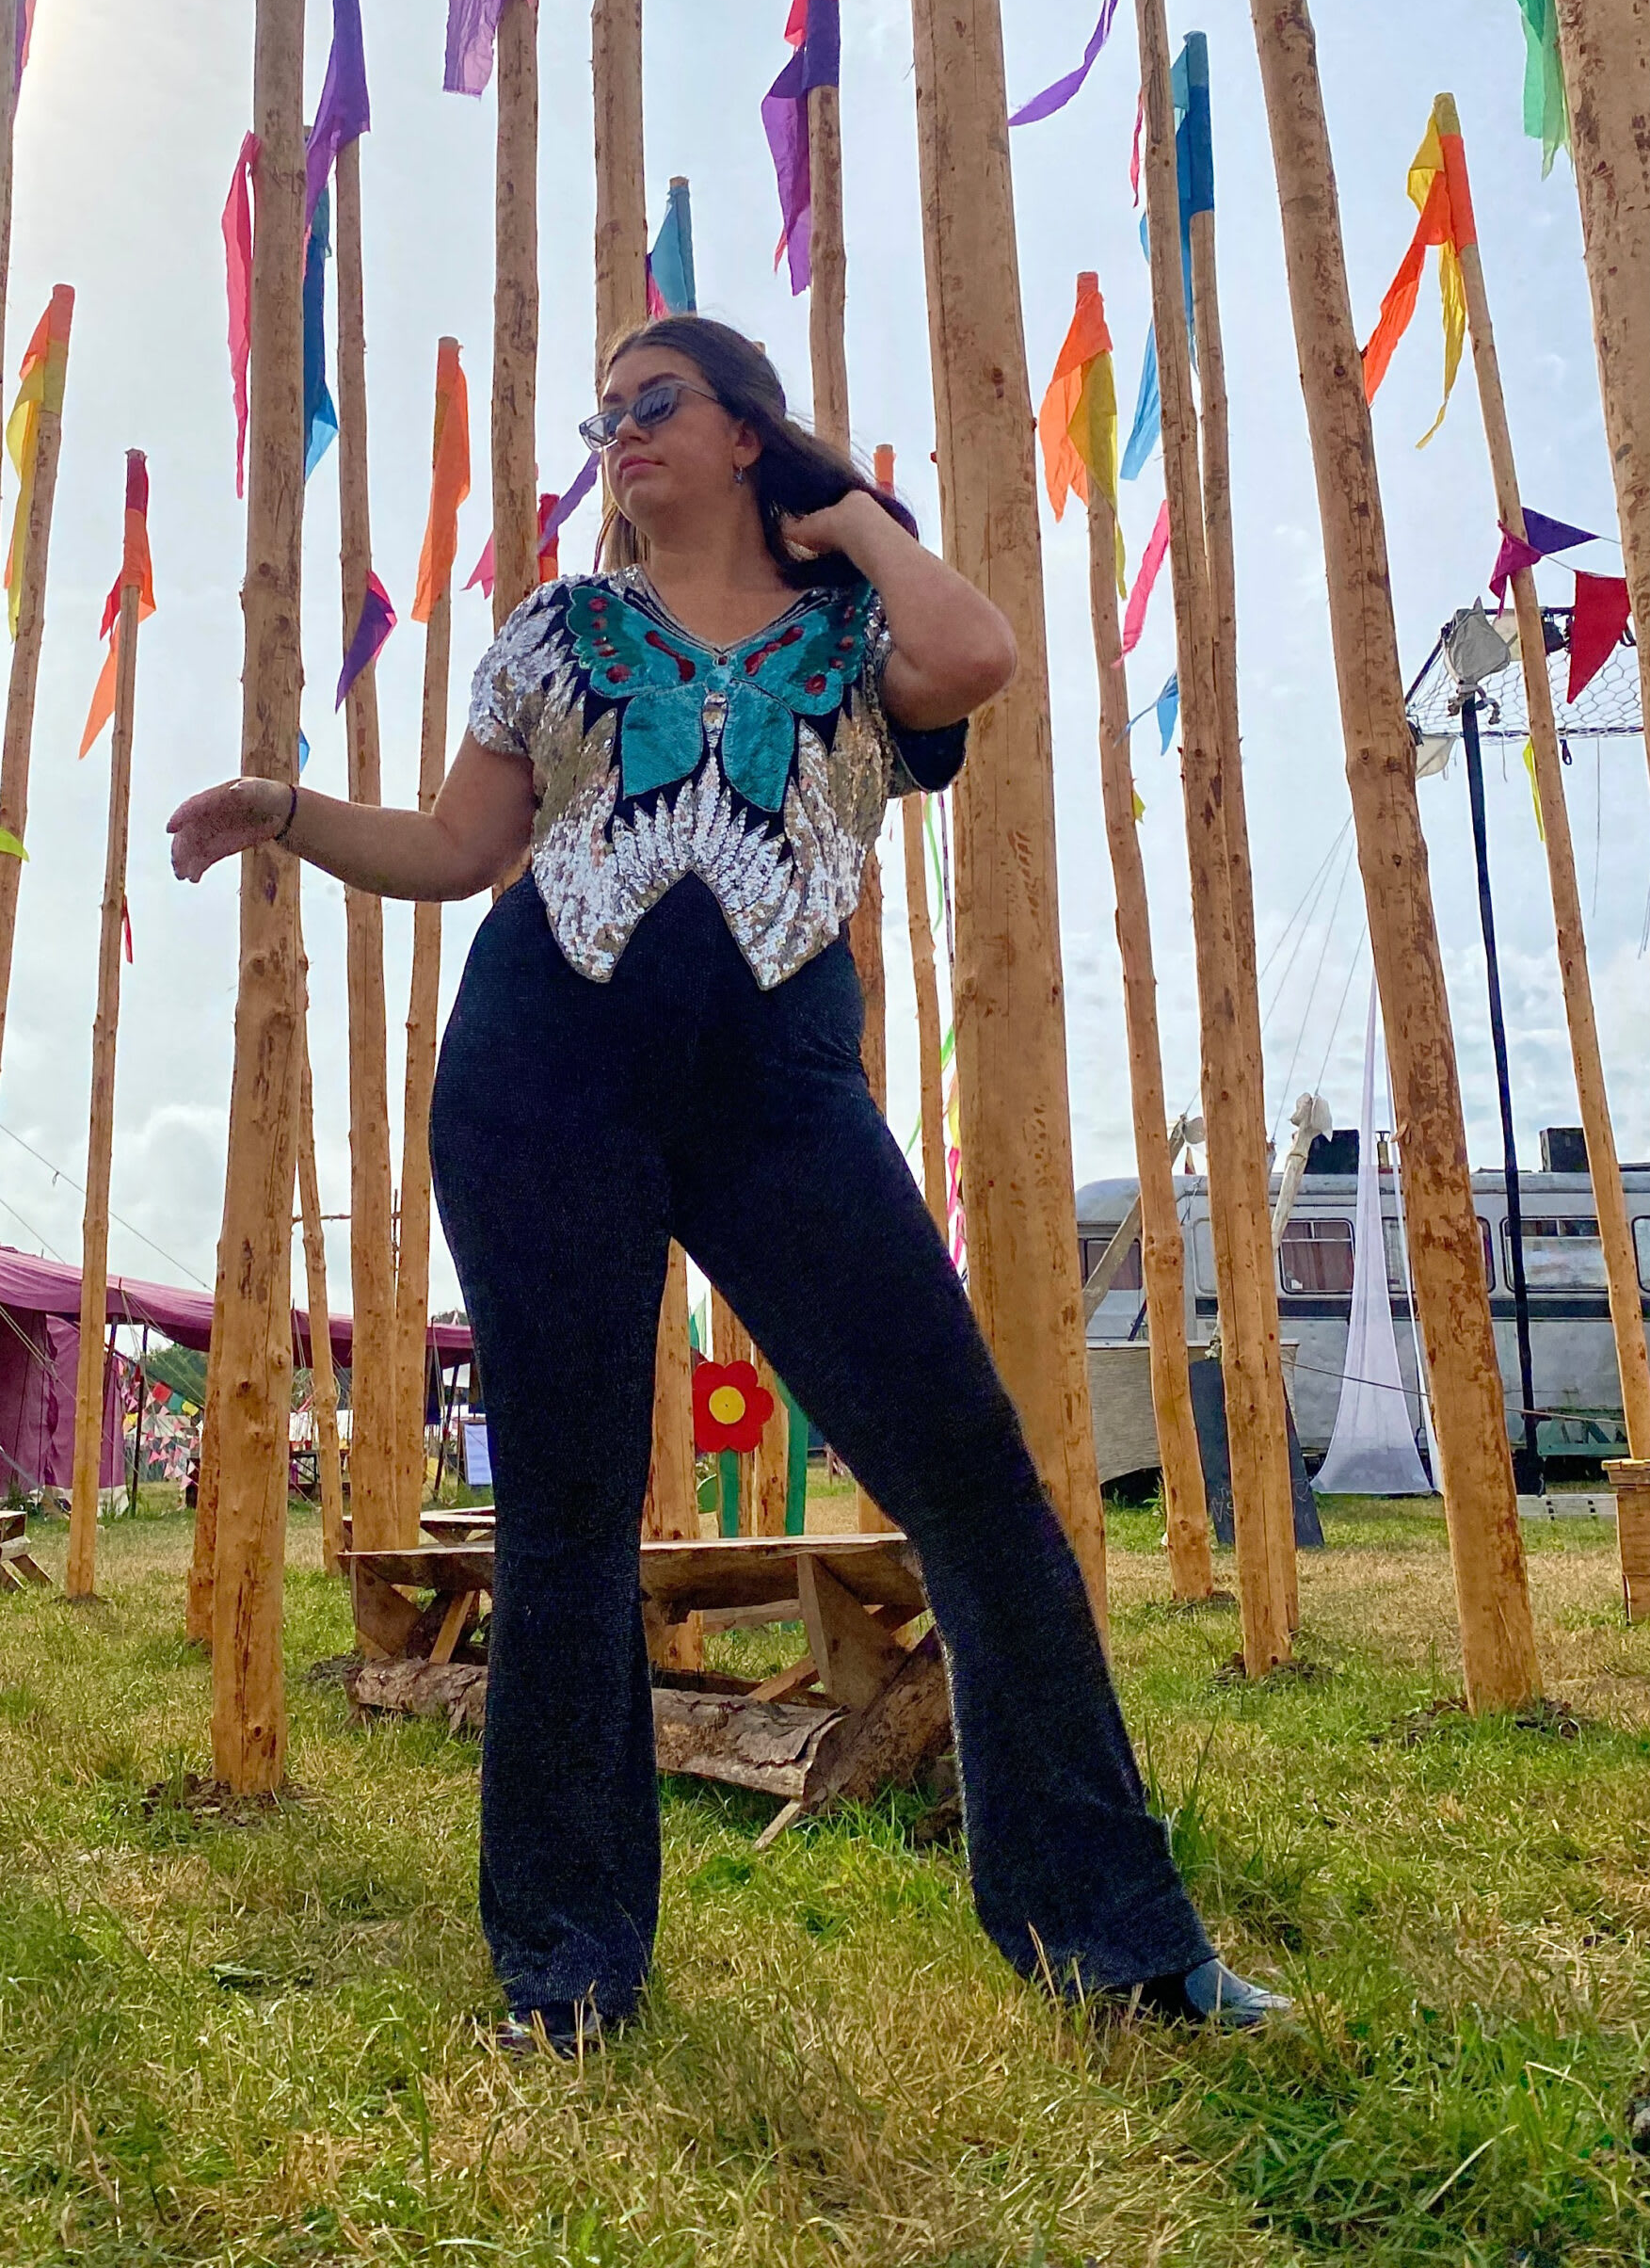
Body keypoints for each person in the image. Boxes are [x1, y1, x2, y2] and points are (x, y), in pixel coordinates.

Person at [169, 314, 1289, 2053]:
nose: (618, 435)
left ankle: (1118, 1945)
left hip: (778, 1093)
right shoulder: (557, 628)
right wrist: (286, 807)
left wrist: (851, 521)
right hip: (545, 1078)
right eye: (601, 418)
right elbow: (460, 850)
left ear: (747, 430)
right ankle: (566, 1975)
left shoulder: (855, 631)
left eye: (655, 403)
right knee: (565, 1523)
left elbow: (977, 656)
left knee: (975, 1489)